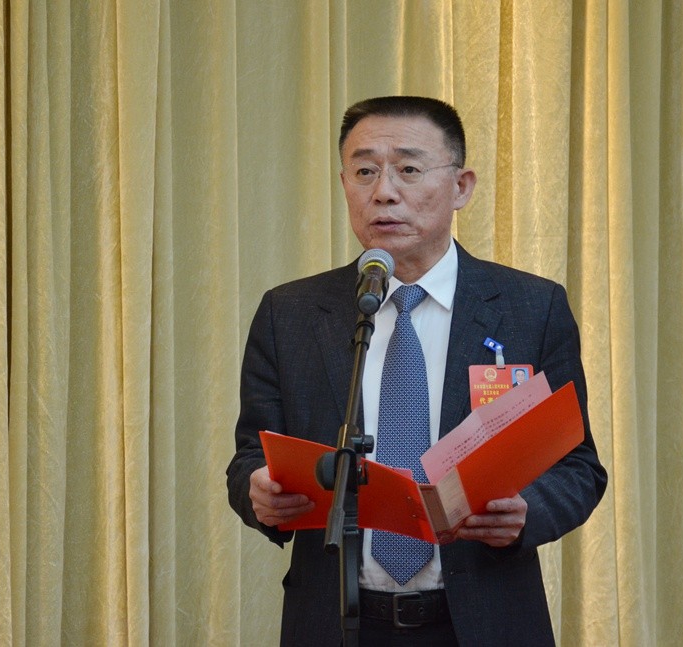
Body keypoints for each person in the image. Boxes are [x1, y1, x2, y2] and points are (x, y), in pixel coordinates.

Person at [226, 96, 607, 646]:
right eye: (364, 172)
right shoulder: (291, 313)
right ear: (344, 184)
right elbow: (249, 458)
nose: (383, 191)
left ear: (461, 187)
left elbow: (578, 466)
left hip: (484, 621)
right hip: (336, 622)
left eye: (408, 169)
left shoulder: (531, 307)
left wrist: (529, 511)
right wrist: (258, 492)